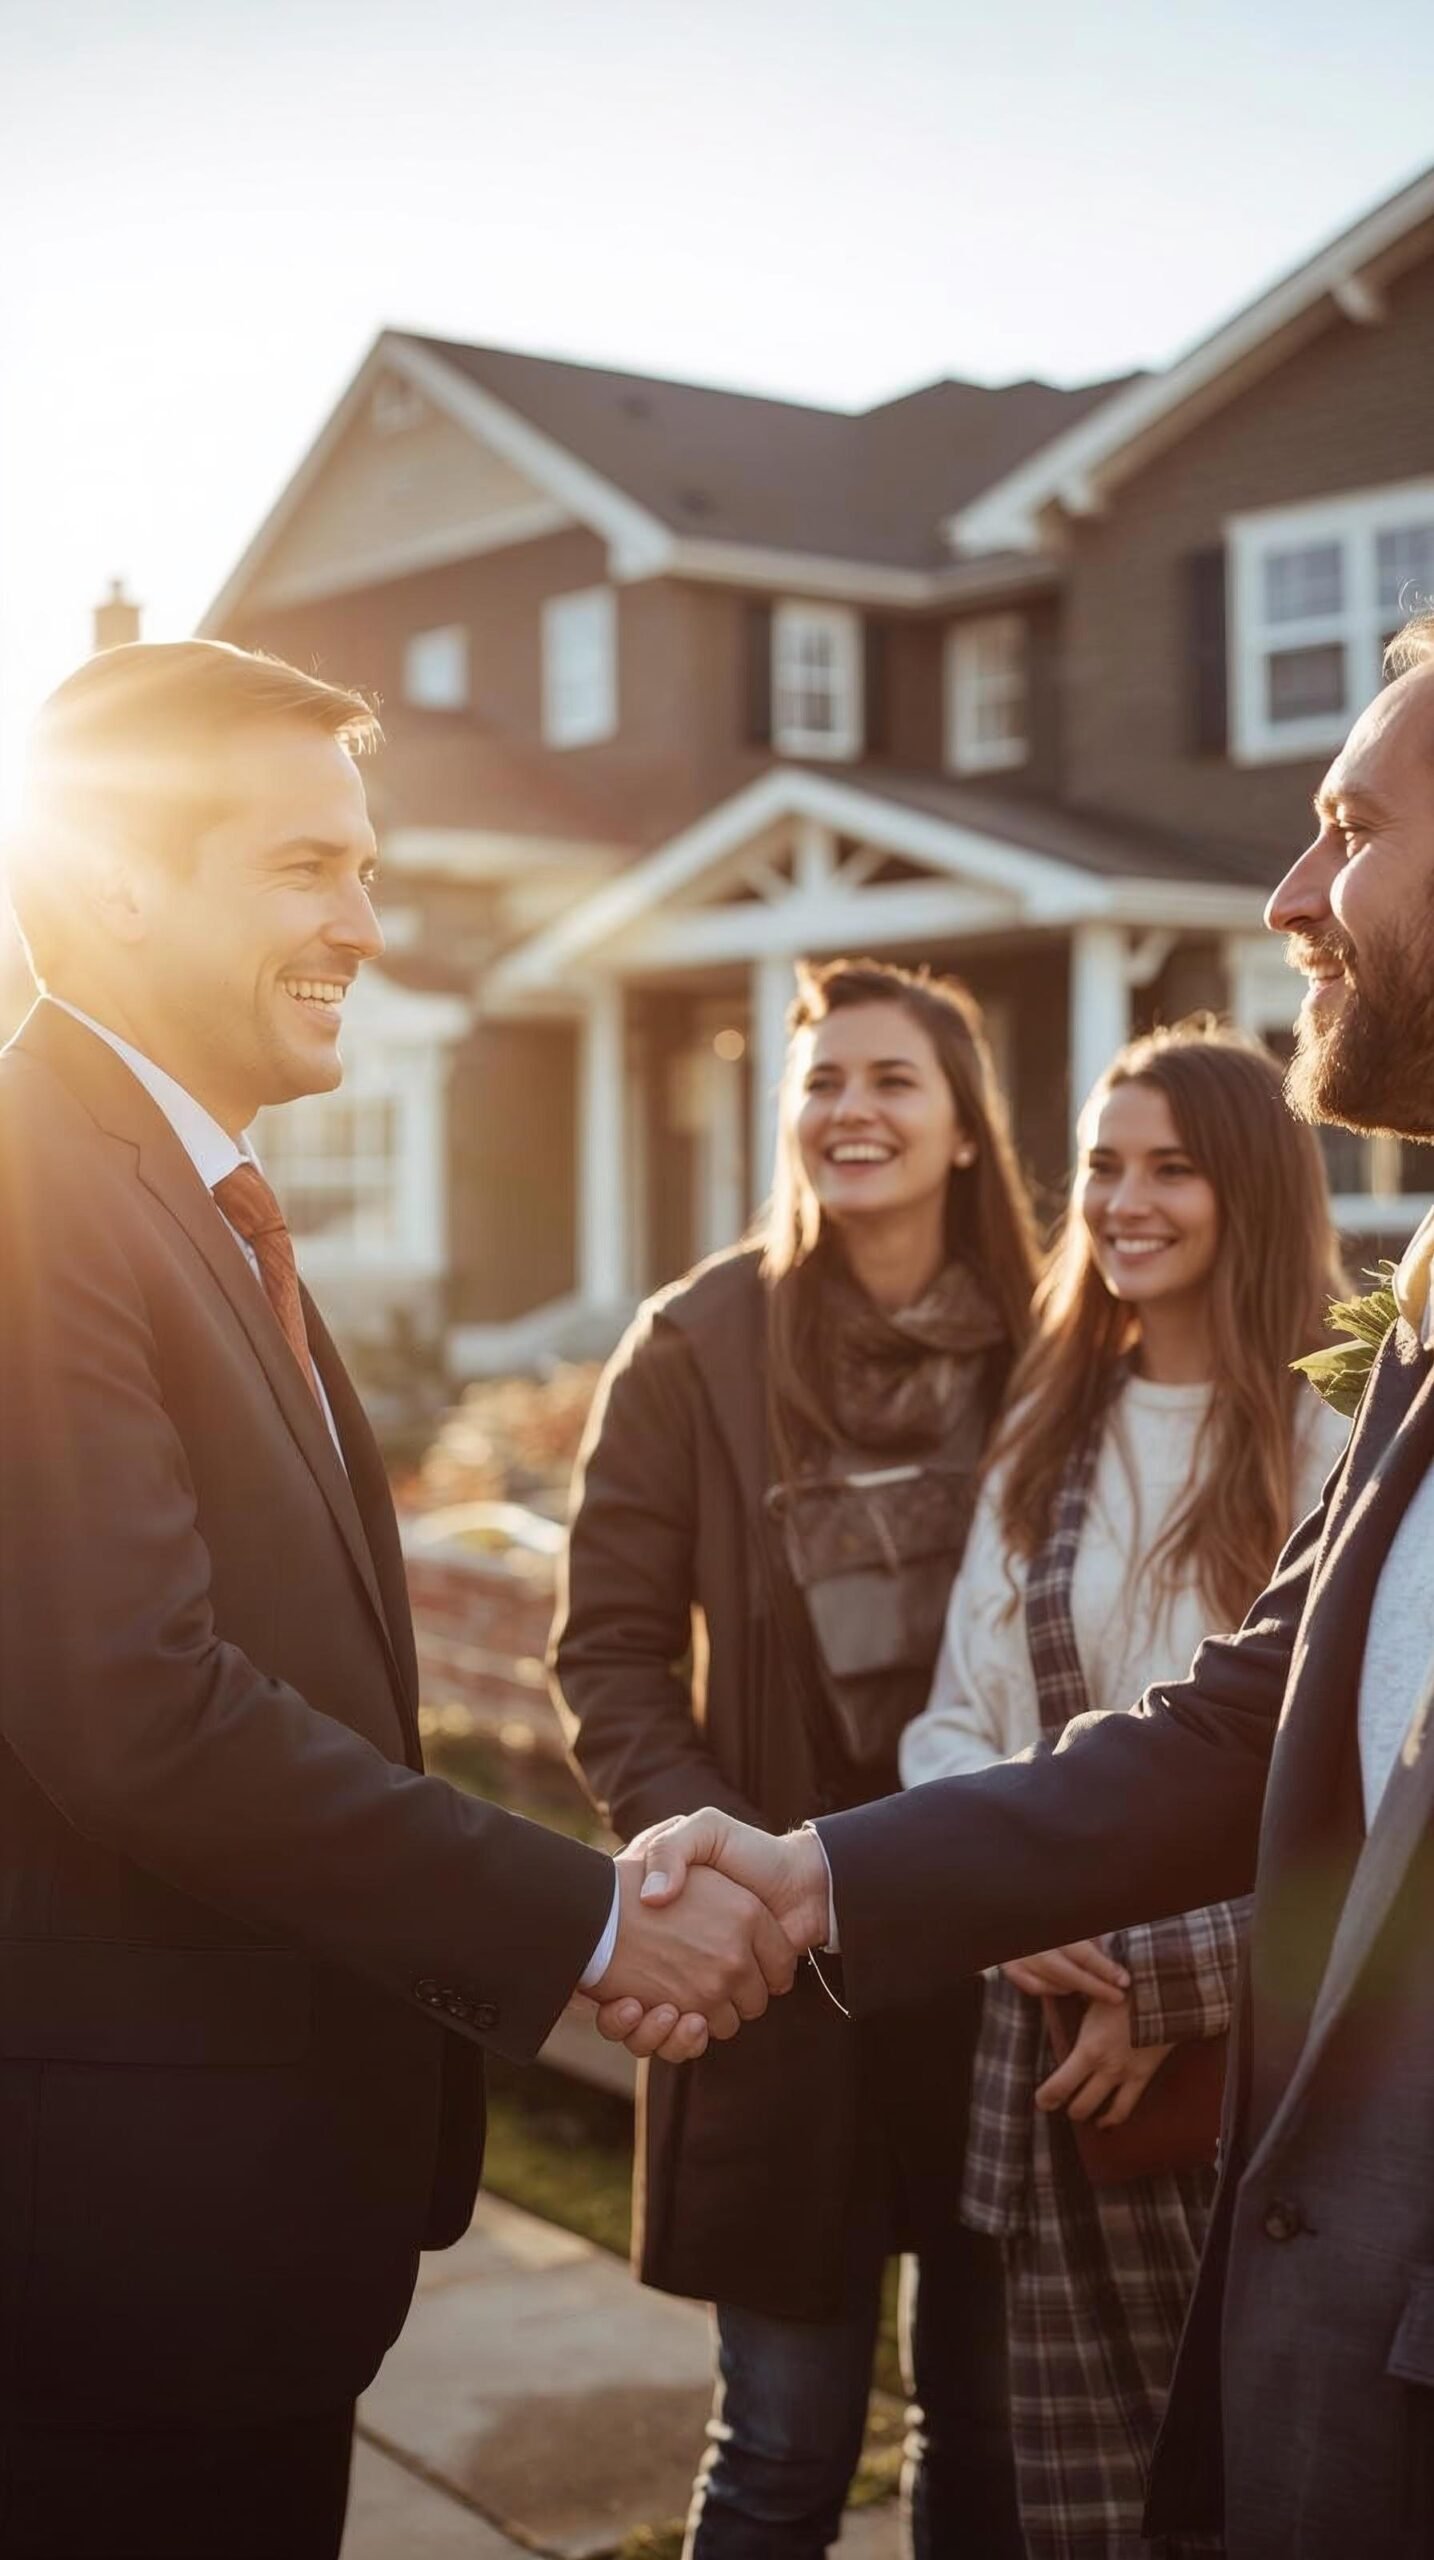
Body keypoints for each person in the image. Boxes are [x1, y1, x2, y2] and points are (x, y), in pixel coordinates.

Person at [617, 612, 1434, 2558]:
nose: (1291, 889)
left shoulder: (1327, 1367)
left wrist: (1169, 1977)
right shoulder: (1415, 1324)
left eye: (1353, 826)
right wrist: (821, 1871)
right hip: (1272, 2270)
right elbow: (1250, 1715)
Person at [0, 640, 790, 2560]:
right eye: (305, 868)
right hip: (122, 2259)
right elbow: (141, 1706)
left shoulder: (185, 1192)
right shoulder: (40, 1188)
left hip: (238, 2230)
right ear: (114, 876)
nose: (366, 919)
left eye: (365, 867)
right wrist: (590, 1915)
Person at [553, 958, 1034, 2557]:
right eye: (822, 1081)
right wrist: (730, 1884)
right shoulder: (696, 1345)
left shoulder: (1055, 1337)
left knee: (994, 2445)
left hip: (1002, 1970)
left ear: (966, 1127)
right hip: (781, 1978)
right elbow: (610, 1652)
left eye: (893, 1079)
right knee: (782, 2451)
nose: (851, 1110)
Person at [900, 1020, 1347, 2559]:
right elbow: (955, 1717)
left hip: (1254, 2065)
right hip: (1028, 2044)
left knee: (1233, 2490)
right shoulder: (1048, 1425)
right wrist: (1001, 1906)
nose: (1121, 1200)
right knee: (1019, 2485)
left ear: (1252, 1190)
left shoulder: (1332, 1441)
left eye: (1170, 1168)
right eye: (1100, 1165)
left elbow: (1367, 1813)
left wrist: (1163, 1980)